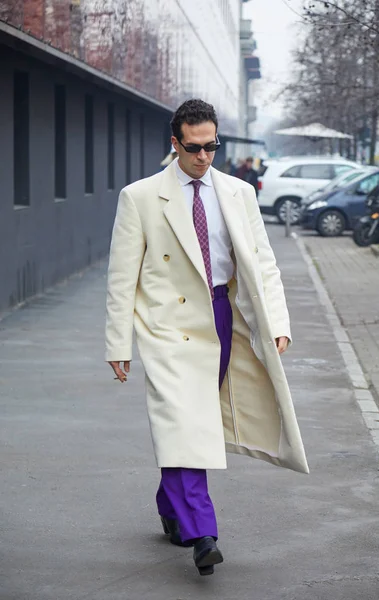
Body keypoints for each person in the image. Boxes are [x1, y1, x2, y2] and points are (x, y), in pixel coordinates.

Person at [105, 99, 308, 577]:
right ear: (174, 143)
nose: (203, 156)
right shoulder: (140, 196)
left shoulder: (238, 192)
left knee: (191, 424)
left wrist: (278, 322)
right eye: (194, 147)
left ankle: (171, 506)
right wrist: (118, 343)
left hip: (221, 316)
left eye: (211, 145)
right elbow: (121, 278)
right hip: (166, 327)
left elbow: (262, 265)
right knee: (181, 419)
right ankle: (203, 534)